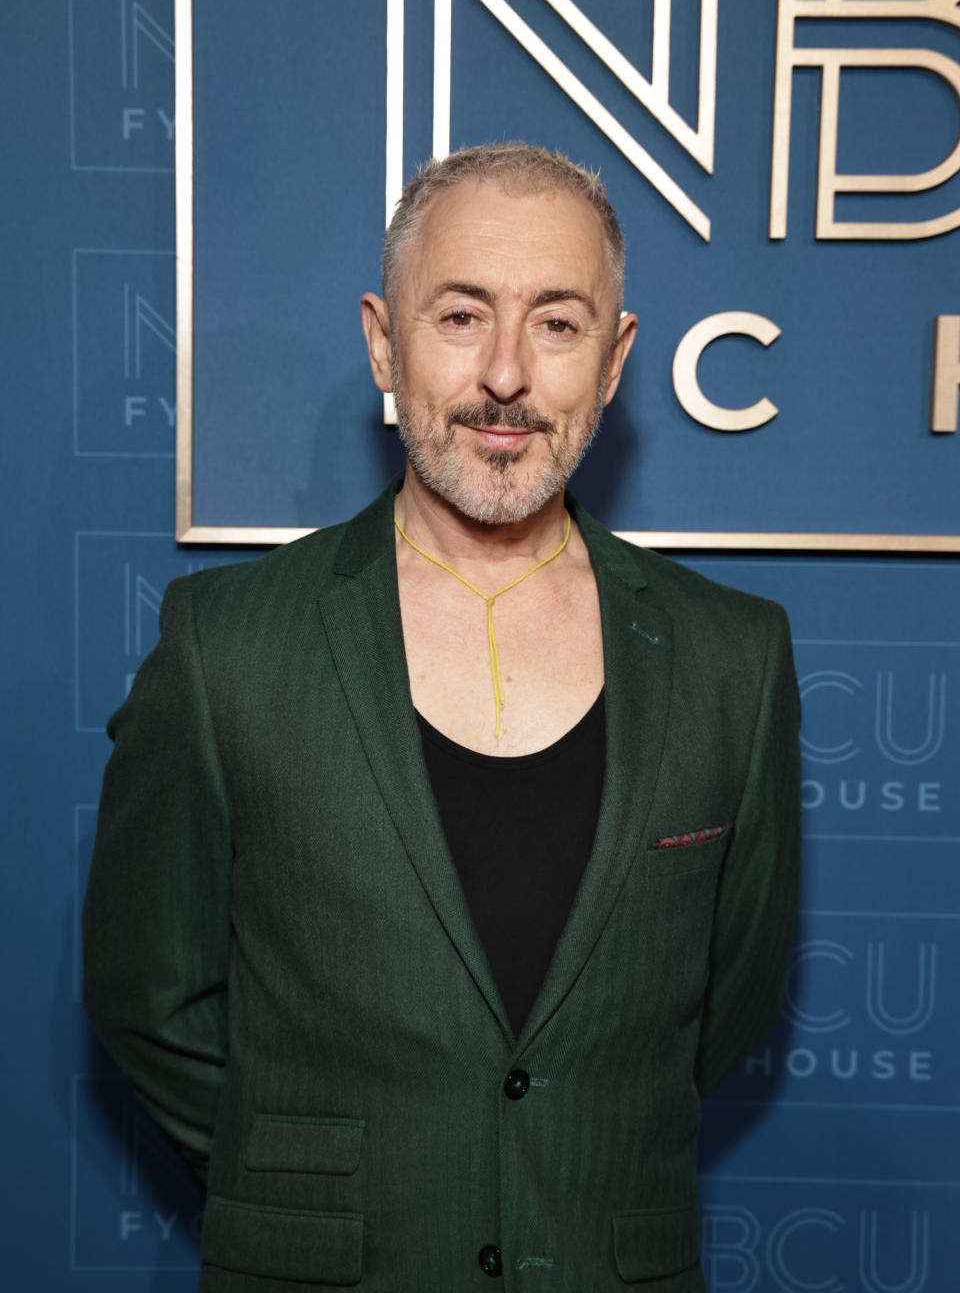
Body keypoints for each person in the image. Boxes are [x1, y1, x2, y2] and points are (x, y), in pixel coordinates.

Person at [84, 142, 801, 1291]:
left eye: (558, 324)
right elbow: (147, 995)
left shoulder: (734, 658)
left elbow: (732, 1001)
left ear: (614, 360)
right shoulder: (227, 644)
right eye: (462, 317)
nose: (506, 376)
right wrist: (311, 1184)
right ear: (383, 339)